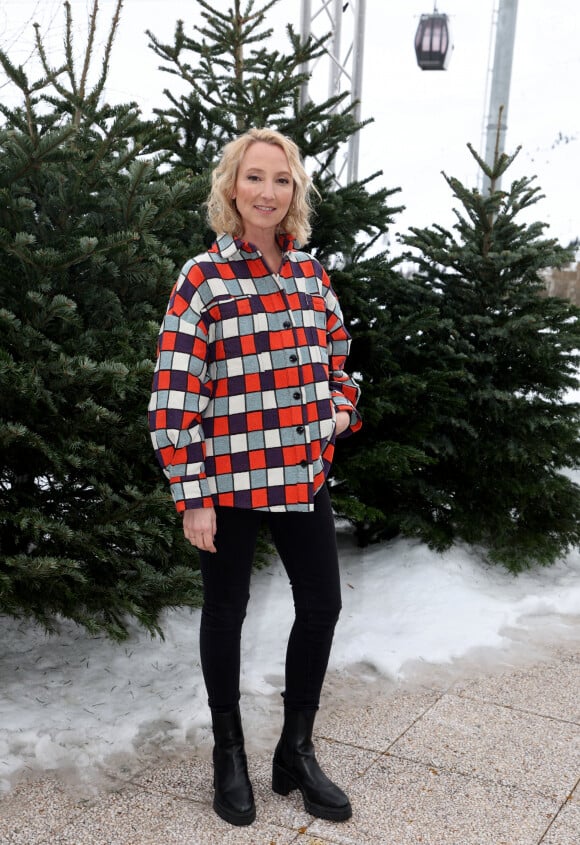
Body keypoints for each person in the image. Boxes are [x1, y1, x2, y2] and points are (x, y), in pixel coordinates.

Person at [148, 127, 361, 827]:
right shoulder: (202, 279)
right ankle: (228, 751)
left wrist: (339, 408)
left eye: (281, 180)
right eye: (255, 178)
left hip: (302, 473)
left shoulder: (310, 273)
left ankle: (295, 750)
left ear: (294, 191)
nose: (268, 192)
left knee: (323, 605)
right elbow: (176, 391)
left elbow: (338, 359)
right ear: (231, 187)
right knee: (226, 613)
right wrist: (192, 493)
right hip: (230, 479)